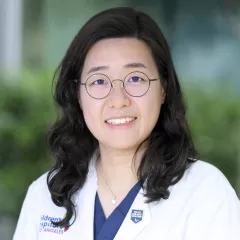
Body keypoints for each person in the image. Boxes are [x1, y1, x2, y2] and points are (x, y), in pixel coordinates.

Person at [13, 7, 240, 240]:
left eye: (135, 79)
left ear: (163, 88)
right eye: (99, 81)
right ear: (77, 95)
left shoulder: (205, 193)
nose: (118, 100)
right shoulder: (45, 196)